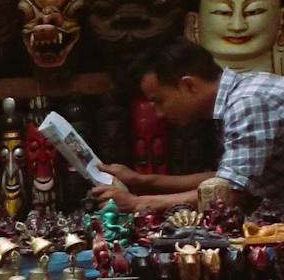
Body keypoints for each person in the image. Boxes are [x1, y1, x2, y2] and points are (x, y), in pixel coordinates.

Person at [97, 39, 284, 213]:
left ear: (189, 85)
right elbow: (225, 179)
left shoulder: (247, 103)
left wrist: (137, 204)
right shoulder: (238, 96)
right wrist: (143, 181)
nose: (159, 114)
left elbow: (230, 194)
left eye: (159, 101)